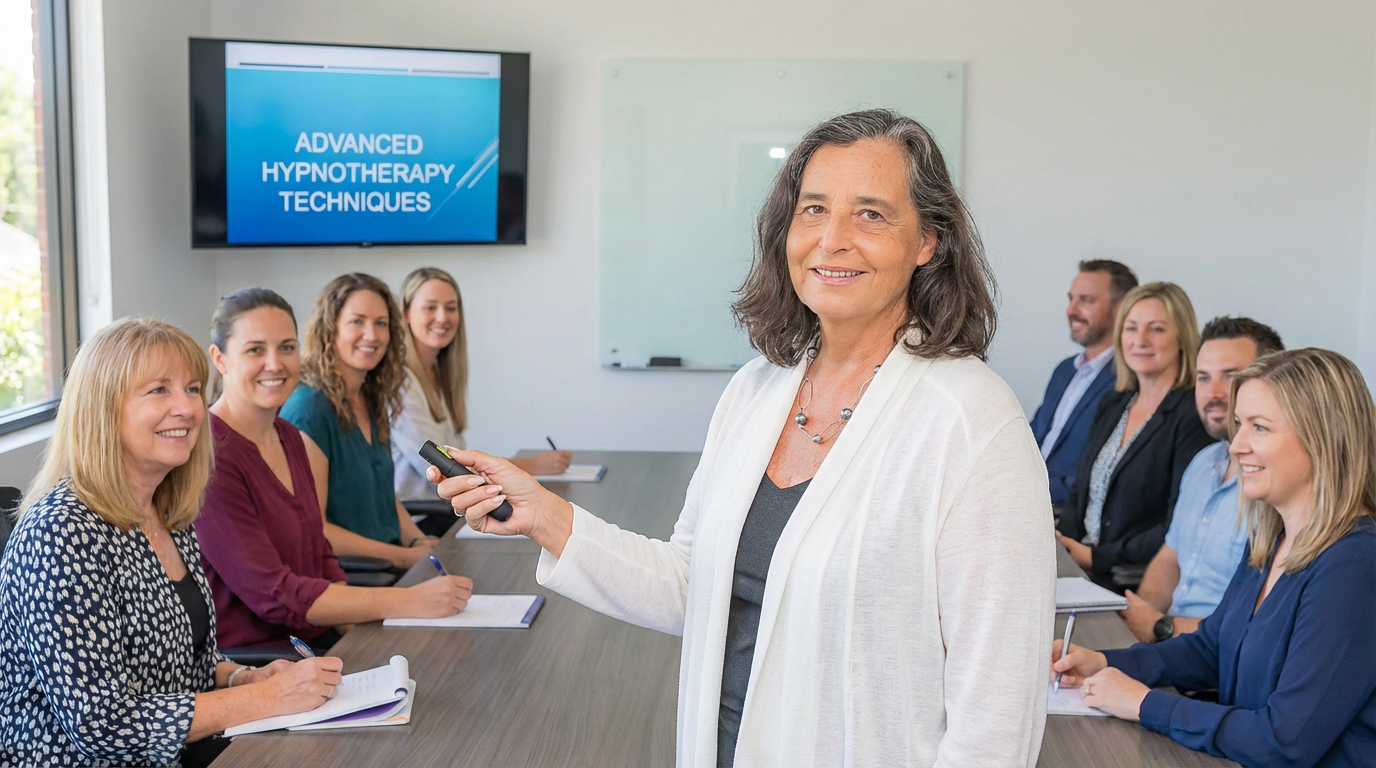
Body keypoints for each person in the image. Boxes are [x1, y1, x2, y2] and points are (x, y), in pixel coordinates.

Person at [431, 110, 1054, 766]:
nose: (832, 239)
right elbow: (694, 586)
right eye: (813, 209)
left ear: (928, 240)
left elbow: (998, 711)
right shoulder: (758, 390)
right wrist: (547, 517)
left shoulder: (971, 418)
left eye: (870, 214)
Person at [0, 317, 342, 767]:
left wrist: (244, 678)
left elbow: (183, 664)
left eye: (194, 388)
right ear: (103, 409)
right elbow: (103, 725)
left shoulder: (169, 513)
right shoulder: (61, 533)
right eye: (159, 390)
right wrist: (270, 698)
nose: (187, 408)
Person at [1052, 348, 1376, 766]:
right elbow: (1211, 650)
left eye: (1259, 428)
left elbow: (1284, 741)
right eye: (1240, 425)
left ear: (1324, 438)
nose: (1237, 445)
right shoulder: (1270, 538)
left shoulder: (1354, 566)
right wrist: (1103, 662)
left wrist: (1146, 704)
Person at [197, 288, 473, 652]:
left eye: (286, 347)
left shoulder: (289, 437)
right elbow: (275, 594)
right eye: (255, 350)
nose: (274, 363)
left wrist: (356, 626)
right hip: (268, 661)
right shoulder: (210, 456)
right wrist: (406, 601)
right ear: (220, 358)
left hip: (322, 637)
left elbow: (320, 553)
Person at [1119, 317, 1284, 643]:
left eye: (1231, 376)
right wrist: (1137, 626)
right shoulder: (1202, 463)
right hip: (1170, 648)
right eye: (1204, 378)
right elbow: (1170, 558)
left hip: (1215, 666)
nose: (1214, 392)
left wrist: (1160, 627)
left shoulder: (1276, 481)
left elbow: (1257, 628)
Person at [1056, 282, 1215, 586]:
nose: (1140, 340)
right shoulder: (1113, 402)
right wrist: (1066, 546)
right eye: (1131, 329)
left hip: (1129, 578)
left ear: (1181, 336)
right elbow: (1080, 491)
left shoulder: (1192, 414)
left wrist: (1095, 558)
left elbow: (1176, 524)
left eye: (1155, 329)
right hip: (1078, 569)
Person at [280, 273, 436, 569]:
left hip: (391, 564)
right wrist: (404, 557)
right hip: (355, 575)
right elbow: (315, 528)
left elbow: (383, 498)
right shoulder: (309, 408)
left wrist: (420, 542)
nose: (372, 335)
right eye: (357, 321)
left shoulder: (371, 397)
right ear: (330, 330)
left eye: (381, 323)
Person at [390, 266, 571, 507]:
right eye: (430, 307)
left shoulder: (439, 374)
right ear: (405, 313)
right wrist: (533, 466)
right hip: (426, 517)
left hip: (450, 509)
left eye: (451, 308)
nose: (443, 317)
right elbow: (443, 465)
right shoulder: (401, 383)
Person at [1030, 260, 1138, 510]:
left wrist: (1031, 490)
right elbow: (1031, 439)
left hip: (1068, 518)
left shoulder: (1129, 380)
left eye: (1086, 300)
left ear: (1121, 308)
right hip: (1028, 504)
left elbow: (1103, 477)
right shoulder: (1065, 370)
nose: (1071, 310)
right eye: (1071, 299)